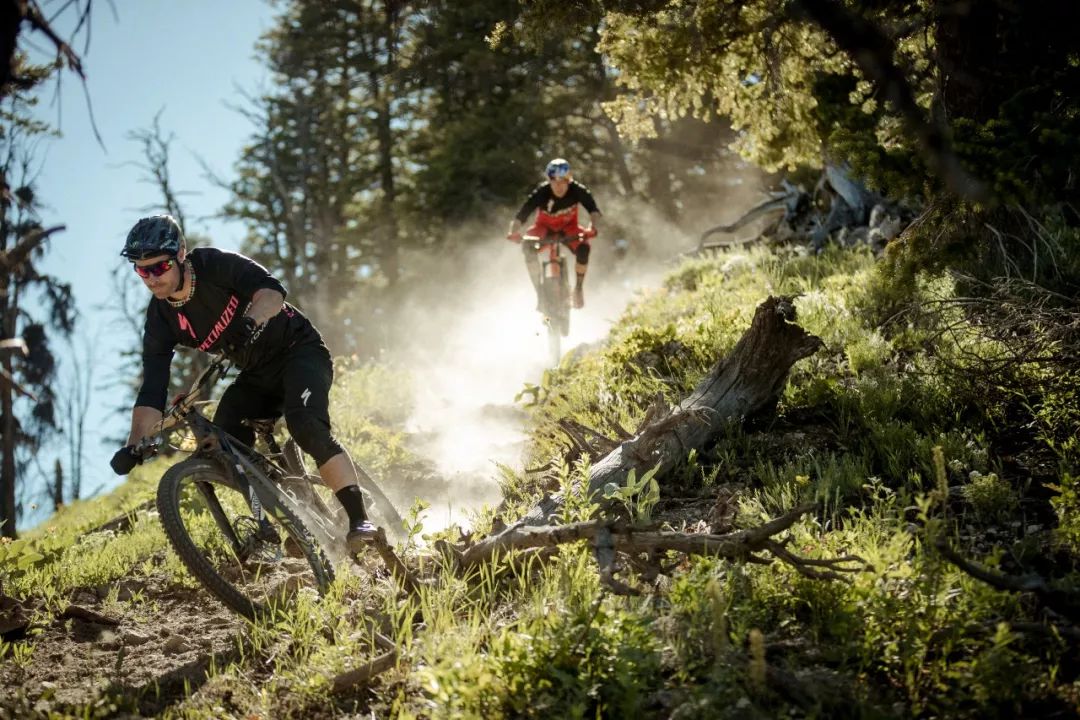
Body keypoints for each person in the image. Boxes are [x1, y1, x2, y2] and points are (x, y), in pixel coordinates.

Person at [108, 215, 377, 552]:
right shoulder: (161, 318)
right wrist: (134, 444)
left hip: (298, 351)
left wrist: (249, 322)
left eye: (158, 268)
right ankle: (276, 527)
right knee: (223, 445)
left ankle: (359, 520)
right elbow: (152, 389)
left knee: (305, 423)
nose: (150, 278)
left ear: (180, 254)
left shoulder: (214, 266)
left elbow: (272, 293)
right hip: (255, 375)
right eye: (141, 270)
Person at [507, 158, 601, 309]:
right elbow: (522, 215)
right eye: (554, 181)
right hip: (543, 228)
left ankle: (578, 288)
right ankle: (540, 294)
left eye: (562, 181)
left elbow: (594, 211)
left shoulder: (577, 190)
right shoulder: (542, 192)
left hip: (569, 228)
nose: (558, 186)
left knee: (584, 248)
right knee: (527, 248)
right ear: (549, 180)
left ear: (568, 180)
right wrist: (513, 232)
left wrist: (593, 227)